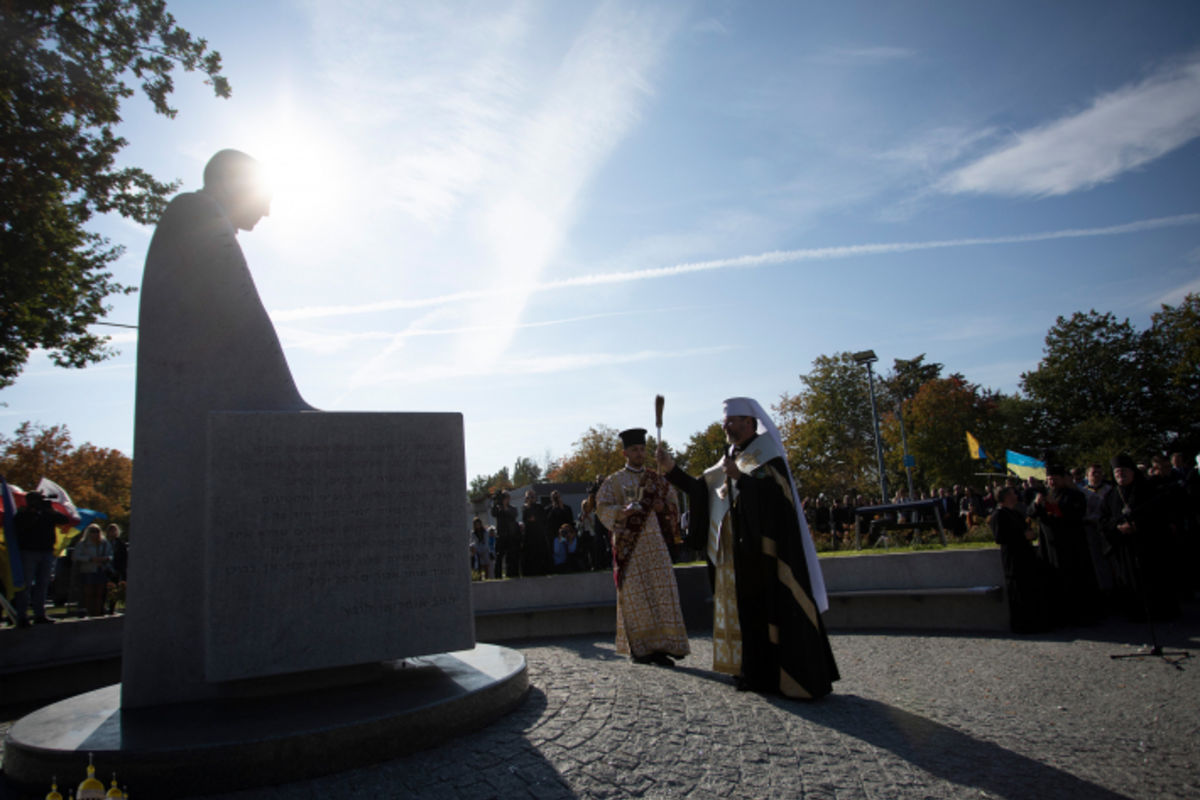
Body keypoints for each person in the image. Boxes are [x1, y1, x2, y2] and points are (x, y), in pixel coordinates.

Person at [660, 398, 838, 699]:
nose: (725, 426)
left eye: (732, 421)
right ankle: (749, 672)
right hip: (733, 555)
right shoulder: (728, 457)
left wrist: (741, 479)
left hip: (764, 554)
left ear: (750, 423)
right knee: (743, 616)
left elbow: (778, 501)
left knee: (764, 613)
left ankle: (775, 677)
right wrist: (672, 470)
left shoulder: (767, 455)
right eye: (725, 421)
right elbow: (702, 491)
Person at [596, 428, 690, 666]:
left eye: (642, 449)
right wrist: (621, 512)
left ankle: (663, 646)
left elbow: (673, 503)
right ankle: (640, 648)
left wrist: (662, 507)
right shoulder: (613, 481)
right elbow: (602, 509)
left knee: (661, 592)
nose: (639, 453)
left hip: (655, 543)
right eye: (635, 450)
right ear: (625, 452)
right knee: (636, 597)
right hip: (630, 545)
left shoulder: (656, 478)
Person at [1100, 453, 1179, 620]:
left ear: (1133, 472)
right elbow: (1104, 519)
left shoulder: (1148, 490)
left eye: (1123, 471)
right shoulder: (1111, 495)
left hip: (1149, 543)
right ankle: (1135, 612)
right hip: (1124, 546)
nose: (1120, 475)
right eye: (1117, 473)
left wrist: (1139, 525)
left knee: (1155, 578)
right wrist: (1118, 527)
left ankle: (1160, 611)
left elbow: (1161, 515)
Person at [1032, 463, 1100, 625]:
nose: (1052, 482)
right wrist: (1037, 504)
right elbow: (1032, 513)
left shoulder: (1074, 495)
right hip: (1049, 546)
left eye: (1055, 479)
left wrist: (1052, 505)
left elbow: (1072, 515)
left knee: (1075, 580)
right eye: (1049, 479)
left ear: (1063, 479)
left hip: (1071, 545)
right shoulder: (1045, 494)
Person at [990, 486, 1050, 632]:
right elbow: (1000, 537)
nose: (1015, 496)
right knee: (1018, 592)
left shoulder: (1015, 513)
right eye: (1012, 494)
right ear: (1005, 497)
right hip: (1013, 558)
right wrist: (1022, 536)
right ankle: (1022, 625)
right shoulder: (998, 515)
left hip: (1025, 556)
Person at [12, 491, 74, 627]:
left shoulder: (47, 513)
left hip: (46, 552)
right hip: (28, 552)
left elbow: (64, 520)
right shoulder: (23, 514)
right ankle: (22, 616)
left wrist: (50, 510)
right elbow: (17, 529)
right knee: (26, 585)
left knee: (43, 584)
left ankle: (39, 614)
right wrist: (32, 513)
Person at [72, 524, 113, 617]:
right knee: (89, 592)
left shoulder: (105, 543)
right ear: (88, 533)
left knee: (100, 592)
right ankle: (89, 612)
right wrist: (90, 559)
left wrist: (106, 559)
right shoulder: (83, 544)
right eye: (92, 531)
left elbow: (111, 554)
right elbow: (75, 556)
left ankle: (98, 612)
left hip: (101, 569)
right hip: (88, 570)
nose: (95, 533)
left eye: (97, 531)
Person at [492, 491, 520, 579]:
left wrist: (505, 507)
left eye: (506, 497)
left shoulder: (513, 508)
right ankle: (498, 576)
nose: (505, 499)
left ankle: (511, 574)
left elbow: (513, 515)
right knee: (499, 556)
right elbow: (493, 513)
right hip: (501, 536)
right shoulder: (498, 508)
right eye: (504, 497)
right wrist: (496, 502)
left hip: (510, 537)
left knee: (511, 557)